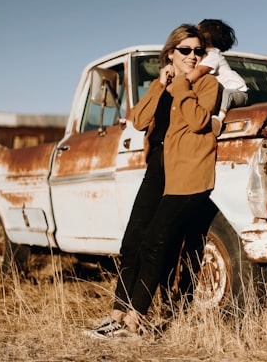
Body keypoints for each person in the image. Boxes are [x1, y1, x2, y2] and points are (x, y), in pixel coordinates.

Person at [83, 24, 219, 339]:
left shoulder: (207, 84)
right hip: (157, 169)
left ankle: (135, 320)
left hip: (185, 171)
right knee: (132, 241)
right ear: (170, 53)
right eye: (185, 50)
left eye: (198, 51)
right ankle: (117, 313)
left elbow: (199, 120)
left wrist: (184, 82)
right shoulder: (165, 85)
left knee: (155, 242)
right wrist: (160, 85)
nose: (193, 56)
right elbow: (139, 120)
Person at [167, 19, 248, 136]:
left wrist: (176, 85)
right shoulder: (202, 56)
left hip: (238, 90)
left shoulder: (213, 55)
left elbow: (198, 72)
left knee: (226, 94)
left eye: (197, 30)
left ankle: (219, 118)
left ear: (205, 36)